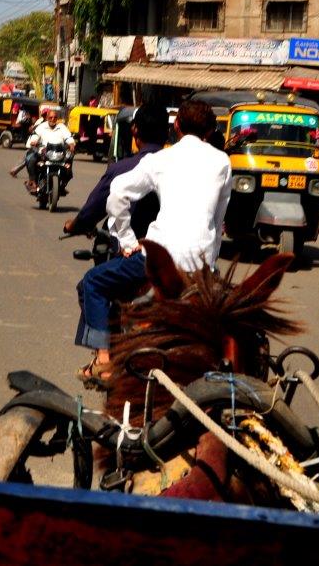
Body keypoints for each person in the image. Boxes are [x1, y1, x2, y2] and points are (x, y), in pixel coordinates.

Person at [72, 101, 232, 386]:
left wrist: (126, 240)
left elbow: (117, 193)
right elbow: (218, 223)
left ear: (177, 127)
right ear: (209, 131)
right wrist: (211, 264)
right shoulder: (222, 162)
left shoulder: (161, 160)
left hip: (156, 260)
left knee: (92, 283)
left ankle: (104, 362)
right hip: (201, 269)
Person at [63, 103, 169, 241]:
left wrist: (74, 225)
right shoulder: (184, 169)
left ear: (134, 130)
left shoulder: (121, 169)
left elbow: (94, 208)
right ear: (168, 132)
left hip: (131, 252)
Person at [14, 107, 76, 194]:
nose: (52, 119)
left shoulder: (62, 127)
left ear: (57, 118)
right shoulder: (41, 126)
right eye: (50, 117)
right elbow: (35, 135)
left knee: (69, 161)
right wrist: (34, 141)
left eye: (54, 117)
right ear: (47, 118)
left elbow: (68, 137)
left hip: (59, 153)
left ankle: (63, 184)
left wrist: (71, 144)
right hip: (44, 153)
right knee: (30, 159)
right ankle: (33, 181)